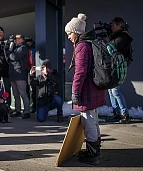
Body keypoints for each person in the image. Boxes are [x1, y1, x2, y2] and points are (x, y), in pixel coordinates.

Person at [65, 13, 106, 165]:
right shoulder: (89, 44)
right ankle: (96, 148)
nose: (69, 37)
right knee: (93, 119)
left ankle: (92, 153)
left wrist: (75, 92)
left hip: (87, 91)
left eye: (69, 33)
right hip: (95, 88)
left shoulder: (82, 47)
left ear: (76, 32)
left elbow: (80, 72)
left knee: (87, 120)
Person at [108, 17, 133, 124]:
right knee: (110, 90)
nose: (111, 28)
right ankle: (116, 113)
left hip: (119, 66)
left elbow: (112, 47)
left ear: (119, 25)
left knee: (115, 91)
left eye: (113, 26)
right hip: (114, 65)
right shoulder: (117, 36)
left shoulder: (123, 36)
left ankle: (125, 114)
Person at [8, 34, 30, 119]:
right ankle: (18, 110)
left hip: (20, 74)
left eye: (16, 39)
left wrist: (10, 51)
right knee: (16, 94)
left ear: (21, 39)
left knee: (23, 93)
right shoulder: (16, 48)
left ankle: (27, 111)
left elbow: (14, 56)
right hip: (13, 74)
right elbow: (9, 56)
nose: (14, 41)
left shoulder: (23, 47)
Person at [25, 37, 36, 113]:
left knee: (33, 90)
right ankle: (28, 106)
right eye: (27, 41)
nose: (28, 43)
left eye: (30, 41)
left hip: (34, 71)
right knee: (27, 90)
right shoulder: (25, 50)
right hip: (26, 71)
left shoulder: (34, 49)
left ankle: (33, 106)